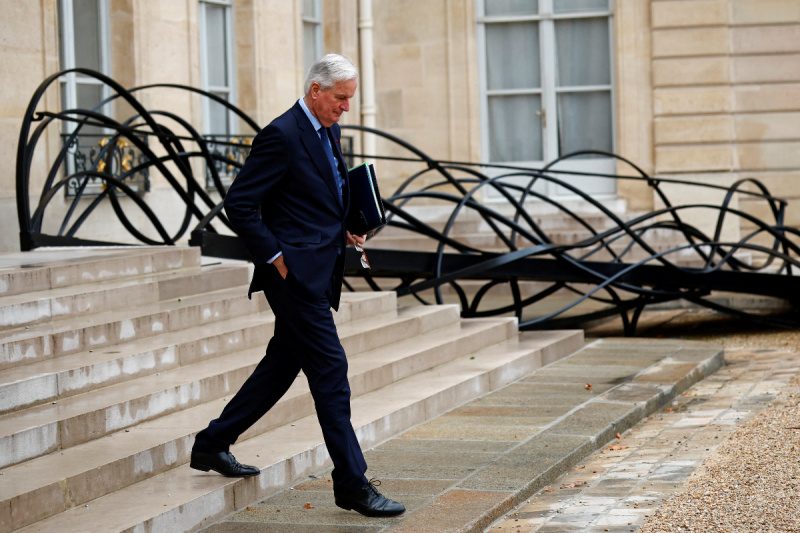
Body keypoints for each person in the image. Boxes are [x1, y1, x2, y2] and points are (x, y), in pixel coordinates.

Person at [189, 54, 405, 518]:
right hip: (293, 278)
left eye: (349, 99)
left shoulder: (329, 128)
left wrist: (349, 222)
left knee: (280, 366)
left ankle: (212, 442)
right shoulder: (280, 135)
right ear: (315, 91)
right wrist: (277, 258)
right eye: (340, 98)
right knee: (332, 373)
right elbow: (240, 204)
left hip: (319, 267)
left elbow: (321, 194)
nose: (346, 108)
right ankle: (351, 483)